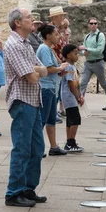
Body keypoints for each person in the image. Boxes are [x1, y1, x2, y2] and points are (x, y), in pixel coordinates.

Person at [3, 8, 49, 207]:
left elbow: (44, 70)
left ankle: (28, 188)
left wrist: (35, 70)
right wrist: (35, 70)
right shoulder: (13, 45)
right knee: (22, 148)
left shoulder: (27, 43)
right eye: (29, 17)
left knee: (37, 148)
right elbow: (30, 77)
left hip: (34, 100)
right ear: (18, 23)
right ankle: (14, 192)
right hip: (23, 101)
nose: (33, 20)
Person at [36, 24, 69, 156]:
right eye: (56, 34)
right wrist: (60, 68)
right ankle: (37, 147)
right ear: (48, 36)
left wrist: (60, 69)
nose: (58, 36)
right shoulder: (44, 49)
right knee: (42, 119)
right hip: (46, 88)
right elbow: (48, 69)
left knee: (50, 119)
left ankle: (53, 146)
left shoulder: (49, 49)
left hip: (51, 88)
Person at [78, 17, 106, 110]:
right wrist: (84, 52)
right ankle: (79, 103)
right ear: (88, 25)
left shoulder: (100, 35)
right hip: (88, 63)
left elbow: (99, 50)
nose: (93, 25)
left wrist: (86, 50)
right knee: (83, 83)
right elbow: (83, 51)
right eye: (91, 23)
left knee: (103, 84)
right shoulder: (87, 36)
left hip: (98, 62)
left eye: (95, 23)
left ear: (97, 25)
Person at [61, 44, 85, 152]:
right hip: (69, 96)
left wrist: (80, 95)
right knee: (75, 119)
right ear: (68, 55)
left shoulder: (72, 66)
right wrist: (77, 97)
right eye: (75, 54)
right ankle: (71, 142)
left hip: (71, 96)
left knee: (71, 120)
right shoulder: (68, 67)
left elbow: (76, 83)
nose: (77, 56)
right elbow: (71, 84)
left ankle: (69, 141)